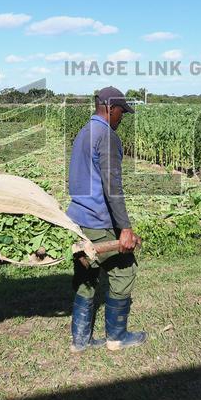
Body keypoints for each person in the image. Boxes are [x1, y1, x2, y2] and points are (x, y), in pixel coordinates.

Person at [65, 86, 147, 352]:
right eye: (121, 112)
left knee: (86, 274)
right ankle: (117, 337)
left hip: (78, 217)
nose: (122, 118)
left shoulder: (84, 132)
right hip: (98, 218)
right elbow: (113, 187)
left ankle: (80, 341)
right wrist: (124, 228)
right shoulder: (107, 136)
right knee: (125, 270)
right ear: (110, 108)